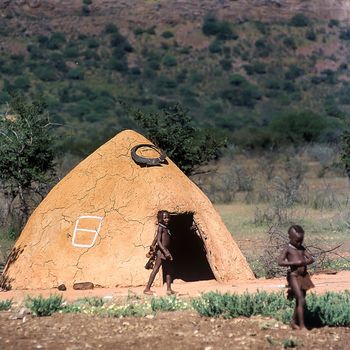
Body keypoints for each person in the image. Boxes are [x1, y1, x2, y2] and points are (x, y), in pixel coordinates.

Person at [277, 225, 315, 330]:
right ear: (290, 237)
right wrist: (294, 263)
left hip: (303, 276)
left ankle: (294, 321)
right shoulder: (288, 249)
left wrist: (303, 262)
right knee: (301, 299)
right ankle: (302, 326)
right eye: (297, 241)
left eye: (301, 241)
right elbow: (280, 262)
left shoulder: (302, 248)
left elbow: (311, 259)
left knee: (300, 300)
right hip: (293, 276)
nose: (299, 243)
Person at [144, 210, 176, 295]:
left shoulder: (165, 228)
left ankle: (169, 290)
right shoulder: (161, 227)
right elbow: (159, 241)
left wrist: (153, 245)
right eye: (165, 218)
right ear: (161, 218)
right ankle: (147, 289)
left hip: (165, 251)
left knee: (169, 269)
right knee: (156, 269)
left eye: (168, 217)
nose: (167, 219)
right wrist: (165, 252)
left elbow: (155, 238)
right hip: (161, 252)